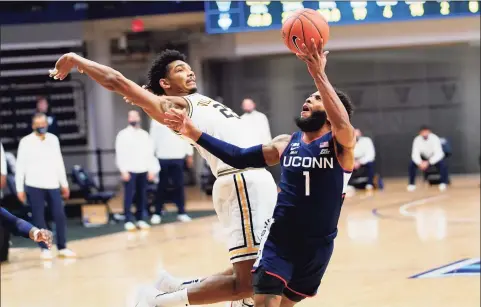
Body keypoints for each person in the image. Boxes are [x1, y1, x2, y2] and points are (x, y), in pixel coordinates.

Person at [50, 49, 278, 307]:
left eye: (188, 67)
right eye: (179, 69)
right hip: (240, 181)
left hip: (256, 181)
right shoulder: (174, 107)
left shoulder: (197, 100)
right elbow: (116, 81)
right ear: (165, 84)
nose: (189, 71)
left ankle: (175, 287)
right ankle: (157, 301)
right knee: (248, 283)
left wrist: (145, 93)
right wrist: (77, 60)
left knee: (261, 268)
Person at [160, 39, 355, 307]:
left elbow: (342, 122)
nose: (309, 99)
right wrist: (195, 134)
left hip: (317, 248)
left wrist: (318, 73)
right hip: (280, 240)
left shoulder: (341, 146)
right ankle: (163, 300)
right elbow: (238, 157)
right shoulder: (287, 142)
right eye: (309, 96)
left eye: (318, 99)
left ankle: (176, 291)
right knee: (262, 301)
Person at [15, 113, 75, 260]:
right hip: (33, 184)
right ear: (33, 125)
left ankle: (62, 247)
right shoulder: (26, 141)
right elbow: (20, 166)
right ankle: (45, 249)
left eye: (43, 123)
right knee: (39, 218)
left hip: (52, 183)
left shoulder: (53, 139)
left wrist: (64, 184)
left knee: (59, 215)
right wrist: (19, 188)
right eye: (38, 124)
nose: (41, 126)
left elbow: (59, 162)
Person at [115, 110, 159, 231]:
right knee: (129, 196)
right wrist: (123, 170)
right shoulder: (123, 135)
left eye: (135, 116)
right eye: (131, 116)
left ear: (139, 118)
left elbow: (150, 153)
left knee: (142, 196)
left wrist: (151, 169)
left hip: (143, 169)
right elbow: (120, 153)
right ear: (128, 119)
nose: (133, 118)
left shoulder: (144, 135)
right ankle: (128, 219)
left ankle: (140, 219)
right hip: (129, 170)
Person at [149, 119, 193, 224]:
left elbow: (186, 135)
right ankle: (157, 213)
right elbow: (152, 139)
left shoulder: (178, 117)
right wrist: (151, 158)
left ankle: (182, 212)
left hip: (178, 156)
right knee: (161, 187)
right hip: (162, 157)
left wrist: (189, 153)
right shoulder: (155, 119)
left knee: (179, 186)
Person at [408, 125, 449, 192]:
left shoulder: (435, 138)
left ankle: (443, 183)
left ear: (429, 132)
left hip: (433, 158)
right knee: (411, 165)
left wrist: (429, 162)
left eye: (426, 132)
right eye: (423, 132)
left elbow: (438, 153)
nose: (424, 133)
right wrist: (419, 162)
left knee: (442, 165)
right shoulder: (417, 140)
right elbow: (415, 153)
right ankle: (411, 184)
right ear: (420, 133)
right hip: (423, 158)